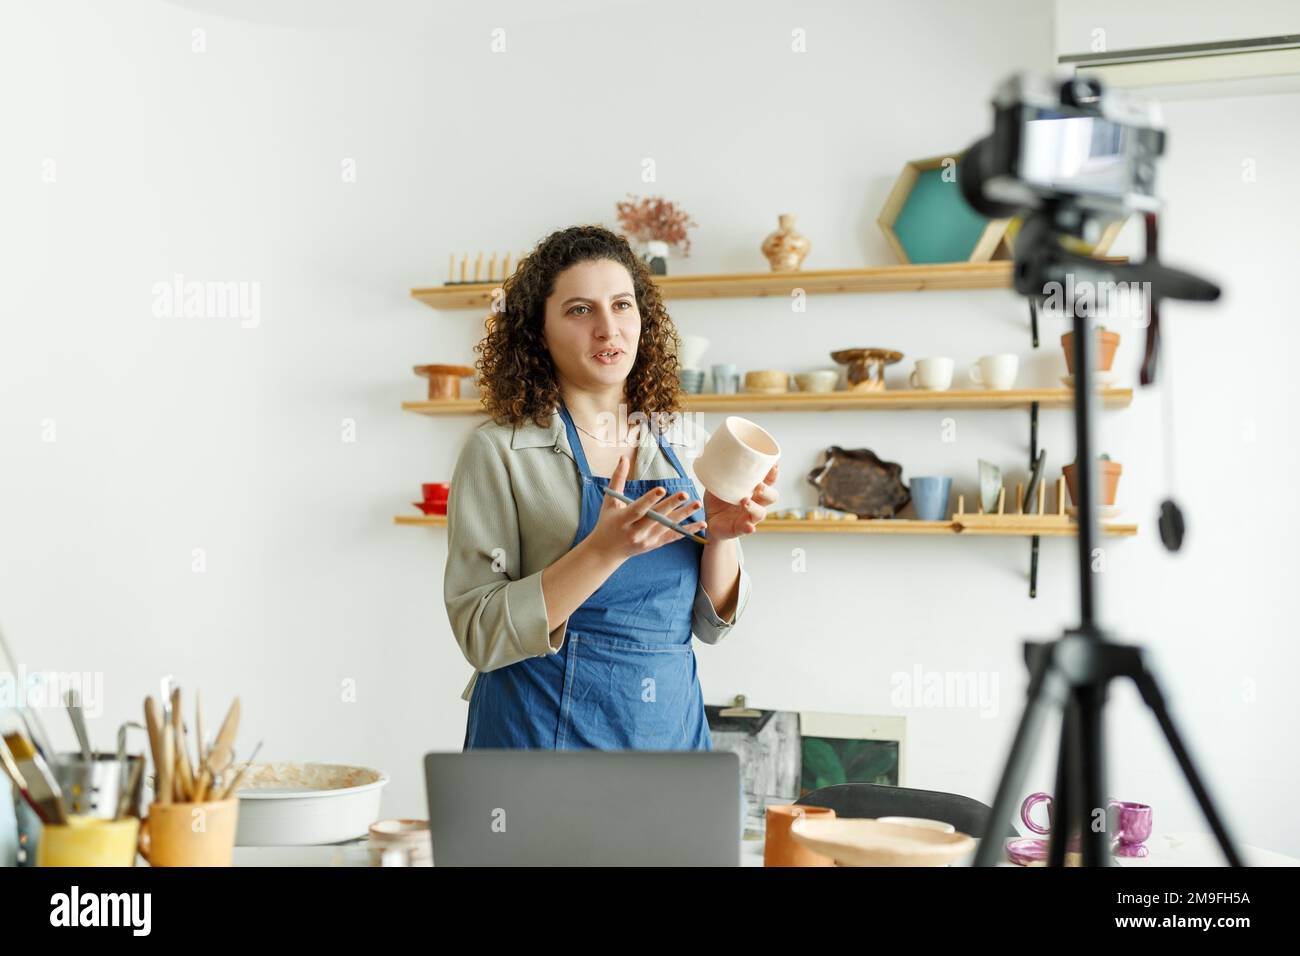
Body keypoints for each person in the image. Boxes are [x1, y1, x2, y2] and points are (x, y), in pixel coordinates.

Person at [444, 224, 778, 751]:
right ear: (539, 330)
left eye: (622, 305)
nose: (608, 328)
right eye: (580, 310)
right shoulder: (499, 453)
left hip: (666, 740)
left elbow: (711, 627)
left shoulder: (679, 445)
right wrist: (602, 552)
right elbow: (480, 634)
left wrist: (721, 533)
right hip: (538, 741)